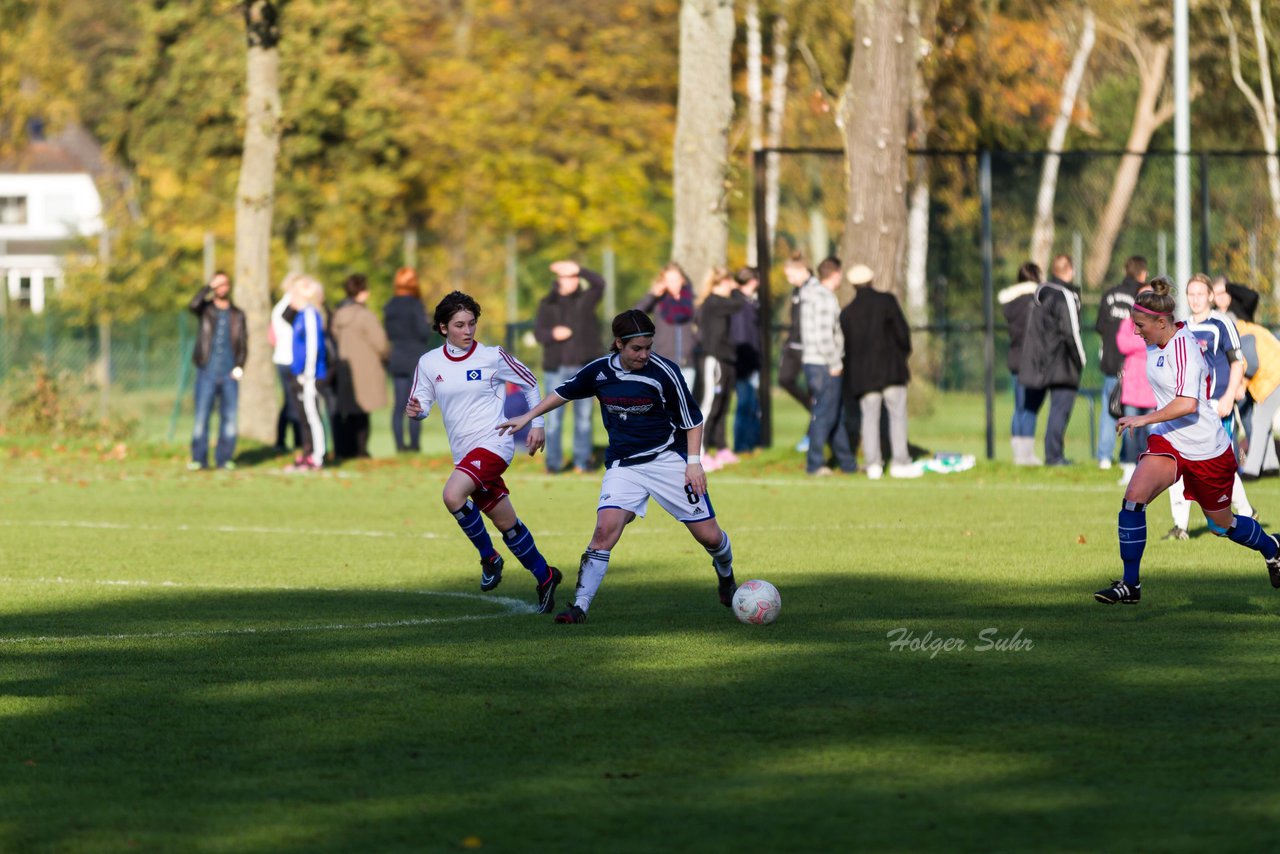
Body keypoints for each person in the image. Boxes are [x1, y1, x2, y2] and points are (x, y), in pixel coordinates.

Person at [496, 309, 738, 625]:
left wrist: (694, 465)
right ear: (619, 344)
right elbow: (563, 392)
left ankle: (725, 573)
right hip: (625, 466)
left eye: (649, 347)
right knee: (604, 531)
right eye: (637, 348)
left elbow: (693, 422)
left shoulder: (665, 372)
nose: (644, 354)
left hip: (667, 461)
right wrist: (529, 418)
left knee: (709, 537)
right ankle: (579, 606)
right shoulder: (599, 372)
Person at [1094, 277, 1280, 604]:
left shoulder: (1185, 348)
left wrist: (1143, 418)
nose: (1137, 331)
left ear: (1161, 323)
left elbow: (1188, 404)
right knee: (1132, 501)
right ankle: (1130, 585)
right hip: (1170, 440)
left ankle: (1273, 548)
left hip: (1206, 448)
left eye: (1140, 325)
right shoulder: (1157, 339)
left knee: (1222, 526)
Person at [406, 291, 562, 613]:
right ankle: (546, 576)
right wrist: (416, 411)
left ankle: (489, 559)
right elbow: (422, 405)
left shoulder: (492, 356)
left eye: (472, 323)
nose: (468, 330)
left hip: (495, 443)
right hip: (465, 454)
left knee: (452, 495)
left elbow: (531, 383)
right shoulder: (429, 363)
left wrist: (538, 424)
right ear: (443, 328)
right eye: (460, 325)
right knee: (506, 522)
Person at [1163, 273, 1253, 539]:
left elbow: (1237, 362)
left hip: (1216, 407)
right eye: (1191, 294)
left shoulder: (1222, 323)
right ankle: (1180, 526)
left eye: (1200, 293)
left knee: (1218, 467)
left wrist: (1227, 397)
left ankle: (1246, 514)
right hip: (1189, 408)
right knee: (1178, 463)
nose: (1195, 299)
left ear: (1211, 296)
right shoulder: (1181, 328)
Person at [840, 263, 918, 479]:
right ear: (872, 280)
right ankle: (900, 462)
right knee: (897, 415)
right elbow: (903, 334)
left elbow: (847, 349)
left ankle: (873, 464)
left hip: (863, 376)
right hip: (891, 370)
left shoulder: (847, 313)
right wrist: (902, 355)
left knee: (869, 418)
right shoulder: (887, 302)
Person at [533, 259, 605, 473]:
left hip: (583, 369)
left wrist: (579, 268)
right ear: (559, 280)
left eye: (575, 277)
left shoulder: (586, 299)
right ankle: (553, 464)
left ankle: (582, 463)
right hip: (556, 369)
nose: (573, 281)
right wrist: (553, 334)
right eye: (568, 276)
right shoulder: (547, 303)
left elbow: (600, 283)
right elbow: (539, 333)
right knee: (554, 419)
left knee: (583, 419)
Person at [1019, 254, 1085, 466]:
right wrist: (1080, 360)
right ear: (1070, 270)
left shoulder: (1040, 294)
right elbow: (1071, 331)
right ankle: (1054, 455)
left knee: (1029, 408)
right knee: (1060, 409)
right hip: (1062, 364)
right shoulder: (1064, 295)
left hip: (1039, 362)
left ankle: (1023, 456)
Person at [801, 257, 857, 476]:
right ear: (835, 274)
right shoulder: (824, 298)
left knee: (835, 414)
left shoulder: (811, 295)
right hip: (824, 364)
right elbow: (824, 336)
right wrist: (834, 362)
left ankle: (847, 464)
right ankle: (814, 463)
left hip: (814, 362)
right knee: (825, 415)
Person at [187, 271, 246, 471]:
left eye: (224, 284)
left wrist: (240, 366)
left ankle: (224, 458)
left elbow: (243, 343)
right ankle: (199, 458)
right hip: (207, 371)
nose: (222, 288)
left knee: (229, 418)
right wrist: (208, 288)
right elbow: (193, 304)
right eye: (218, 284)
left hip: (229, 373)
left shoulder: (237, 314)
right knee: (201, 417)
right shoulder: (206, 310)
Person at [1096, 256, 1147, 470]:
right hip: (1130, 366)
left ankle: (1104, 457)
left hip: (1109, 361)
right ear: (1142, 273)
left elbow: (1099, 325)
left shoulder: (1109, 294)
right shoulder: (1140, 298)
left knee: (1110, 409)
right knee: (1130, 414)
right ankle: (1128, 458)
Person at [331, 273, 390, 460]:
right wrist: (387, 356)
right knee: (363, 412)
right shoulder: (366, 316)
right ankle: (361, 450)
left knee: (346, 412)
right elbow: (381, 343)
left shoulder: (337, 316)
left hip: (344, 367)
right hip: (366, 369)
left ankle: (344, 450)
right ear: (363, 292)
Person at [694, 265, 745, 471]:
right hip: (712, 359)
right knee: (707, 406)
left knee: (722, 405)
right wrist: (738, 289)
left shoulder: (717, 303)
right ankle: (698, 452)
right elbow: (738, 304)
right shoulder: (713, 302)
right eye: (728, 282)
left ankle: (720, 447)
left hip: (724, 359)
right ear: (720, 283)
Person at [383, 267, 435, 453]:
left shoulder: (389, 305)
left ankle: (399, 446)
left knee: (398, 405)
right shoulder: (416, 305)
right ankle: (414, 446)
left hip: (397, 356)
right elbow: (423, 332)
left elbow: (388, 332)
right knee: (415, 403)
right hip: (415, 358)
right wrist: (428, 324)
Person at [285, 276, 329, 471]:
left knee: (312, 415)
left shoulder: (310, 314)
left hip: (309, 375)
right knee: (303, 416)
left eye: (294, 293)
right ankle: (308, 452)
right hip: (299, 373)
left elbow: (313, 346)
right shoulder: (301, 315)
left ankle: (317, 456)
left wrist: (308, 373)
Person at [999, 261, 1042, 465]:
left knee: (1019, 407)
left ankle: (1018, 453)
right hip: (1032, 360)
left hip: (1014, 358)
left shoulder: (1011, 303)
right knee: (1031, 407)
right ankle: (1026, 455)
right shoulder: (1037, 300)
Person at [1114, 283, 1157, 487]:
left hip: (1152, 388)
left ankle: (1150, 470)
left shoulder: (1160, 322)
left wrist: (1141, 343)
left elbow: (1157, 342)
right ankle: (1129, 467)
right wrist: (1143, 343)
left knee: (1152, 432)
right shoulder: (1128, 323)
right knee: (1130, 431)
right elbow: (1123, 344)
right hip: (1132, 387)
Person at [634, 262, 696, 387]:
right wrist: (652, 295)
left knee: (683, 403)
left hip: (687, 363)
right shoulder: (658, 302)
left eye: (676, 279)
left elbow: (703, 324)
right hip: (663, 362)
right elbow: (635, 314)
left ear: (682, 280)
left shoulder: (691, 301)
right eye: (669, 280)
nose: (673, 284)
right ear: (663, 282)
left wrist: (695, 342)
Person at [779, 254, 815, 451]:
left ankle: (811, 436)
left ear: (802, 270)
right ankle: (811, 406)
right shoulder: (797, 290)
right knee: (784, 379)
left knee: (815, 392)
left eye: (791, 275)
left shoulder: (814, 289)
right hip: (794, 346)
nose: (789, 280)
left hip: (811, 349)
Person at [730, 266, 763, 454]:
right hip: (744, 362)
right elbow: (742, 336)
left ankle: (750, 443)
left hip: (748, 361)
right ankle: (742, 445)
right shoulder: (740, 304)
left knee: (751, 404)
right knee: (745, 404)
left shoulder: (746, 303)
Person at [271, 273, 303, 453]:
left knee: (290, 401)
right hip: (290, 360)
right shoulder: (289, 309)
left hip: (283, 359)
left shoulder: (278, 307)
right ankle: (295, 441)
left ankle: (282, 440)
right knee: (294, 402)